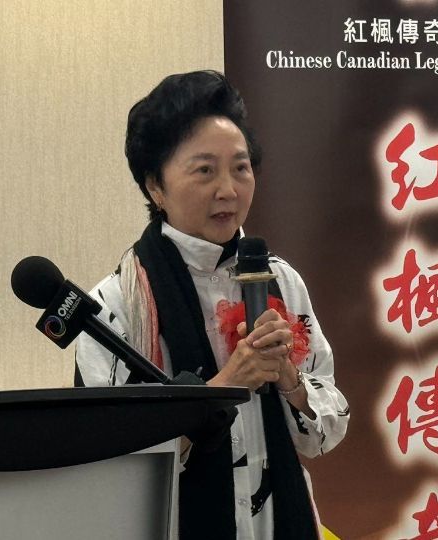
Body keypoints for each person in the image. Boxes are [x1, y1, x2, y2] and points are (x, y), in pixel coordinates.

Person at [74, 70, 348, 540]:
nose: (229, 189)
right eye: (205, 170)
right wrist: (224, 387)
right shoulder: (115, 304)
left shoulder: (280, 280)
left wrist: (288, 378)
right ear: (155, 186)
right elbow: (110, 461)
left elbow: (324, 432)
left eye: (241, 168)